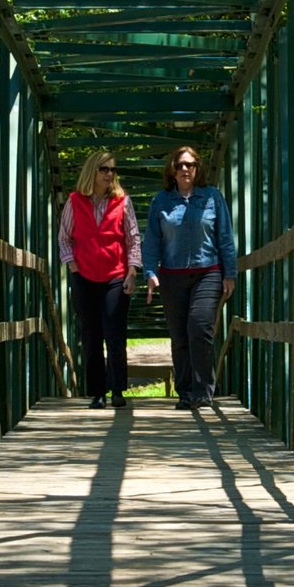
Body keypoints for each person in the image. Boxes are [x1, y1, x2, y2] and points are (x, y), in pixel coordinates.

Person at [139, 141, 237, 412]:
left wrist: (230, 273)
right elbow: (151, 242)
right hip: (172, 276)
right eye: (180, 165)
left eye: (190, 165)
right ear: (172, 170)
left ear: (197, 168)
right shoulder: (162, 201)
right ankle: (185, 393)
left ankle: (203, 390)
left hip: (208, 272)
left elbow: (225, 237)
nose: (185, 169)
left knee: (200, 326)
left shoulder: (212, 197)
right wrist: (150, 272)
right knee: (180, 335)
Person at [57, 147, 140, 405]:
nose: (109, 174)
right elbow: (64, 238)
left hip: (116, 275)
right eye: (104, 169)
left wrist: (133, 271)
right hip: (85, 276)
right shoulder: (74, 201)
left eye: (113, 169)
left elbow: (133, 237)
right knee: (90, 335)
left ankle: (117, 391)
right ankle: (97, 393)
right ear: (92, 171)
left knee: (114, 333)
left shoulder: (122, 201)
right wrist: (73, 268)